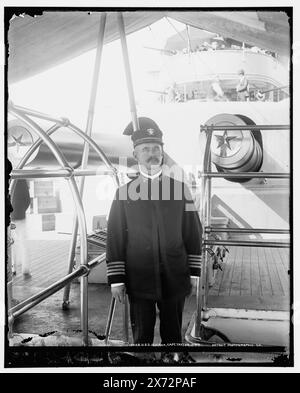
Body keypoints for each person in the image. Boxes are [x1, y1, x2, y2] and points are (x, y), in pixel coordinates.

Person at [106, 117, 202, 363]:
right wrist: (116, 279)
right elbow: (115, 236)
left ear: (162, 153)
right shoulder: (123, 194)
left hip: (174, 273)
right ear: (136, 154)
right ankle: (143, 362)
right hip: (139, 276)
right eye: (146, 149)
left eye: (156, 149)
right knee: (142, 331)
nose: (152, 154)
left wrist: (194, 272)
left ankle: (174, 360)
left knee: (173, 329)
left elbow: (193, 232)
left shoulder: (181, 190)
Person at [11, 178, 31, 277]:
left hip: (8, 217)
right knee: (23, 243)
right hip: (20, 215)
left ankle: (12, 268)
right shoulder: (21, 179)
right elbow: (27, 200)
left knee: (10, 244)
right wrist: (21, 210)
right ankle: (25, 269)